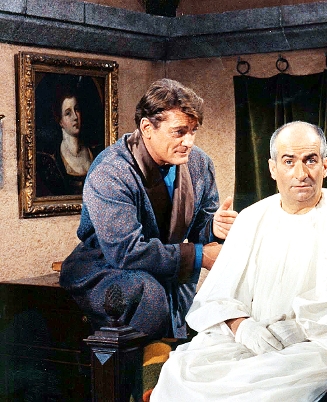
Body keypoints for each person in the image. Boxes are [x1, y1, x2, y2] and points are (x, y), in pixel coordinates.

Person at [150, 121, 327, 401]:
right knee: (180, 371)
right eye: (289, 162)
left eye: (310, 160)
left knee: (262, 387)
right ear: (273, 168)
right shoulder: (251, 218)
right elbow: (218, 296)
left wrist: (297, 330)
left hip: (326, 342)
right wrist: (243, 327)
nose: (301, 174)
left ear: (325, 166)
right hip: (254, 335)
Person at [60, 78, 237, 340]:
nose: (189, 141)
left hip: (163, 268)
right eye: (179, 132)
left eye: (193, 131)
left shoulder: (199, 163)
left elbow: (198, 228)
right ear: (147, 128)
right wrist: (200, 256)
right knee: (151, 295)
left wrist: (213, 227)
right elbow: (125, 252)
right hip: (106, 269)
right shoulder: (111, 170)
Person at [36, 87, 95, 196]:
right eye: (68, 113)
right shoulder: (52, 160)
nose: (75, 117)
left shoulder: (94, 152)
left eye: (77, 109)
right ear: (60, 121)